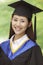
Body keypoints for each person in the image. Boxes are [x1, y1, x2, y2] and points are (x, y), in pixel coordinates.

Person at [0, 1, 43, 65]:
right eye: (15, 20)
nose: (18, 24)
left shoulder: (33, 49)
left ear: (29, 24)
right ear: (11, 20)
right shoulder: (3, 46)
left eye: (22, 21)